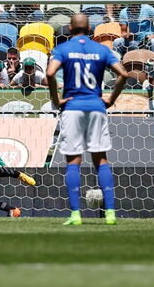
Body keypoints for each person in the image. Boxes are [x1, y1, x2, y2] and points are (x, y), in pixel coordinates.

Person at [47, 13, 128, 226]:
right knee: (100, 159)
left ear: (70, 28)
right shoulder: (101, 49)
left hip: (72, 107)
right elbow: (123, 74)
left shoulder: (63, 49)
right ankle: (110, 213)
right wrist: (111, 98)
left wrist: (57, 100)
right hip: (95, 107)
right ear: (90, 28)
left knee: (73, 160)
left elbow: (49, 73)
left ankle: (75, 215)